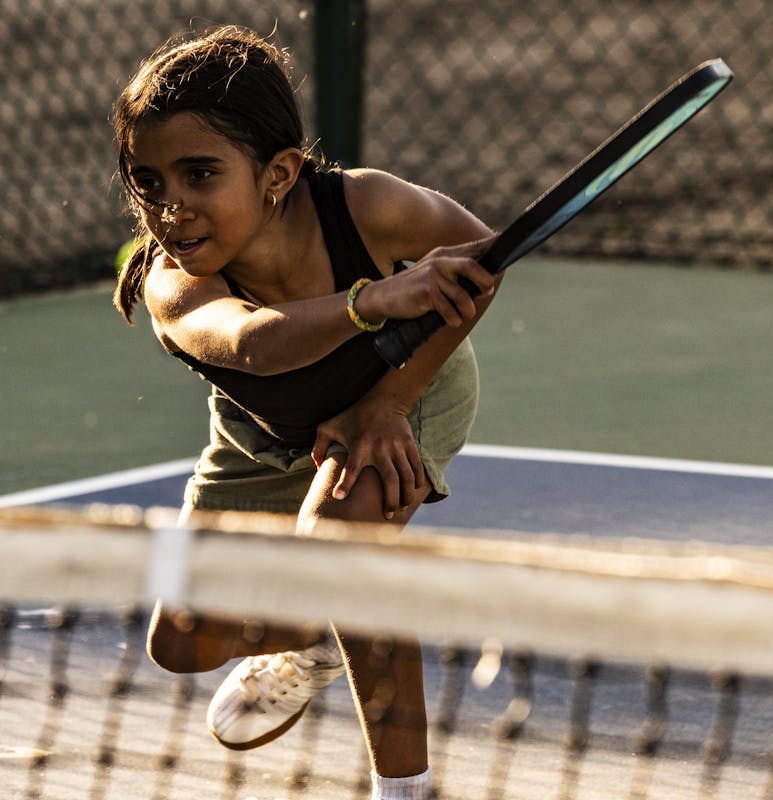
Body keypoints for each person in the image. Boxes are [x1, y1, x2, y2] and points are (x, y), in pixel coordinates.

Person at [112, 24, 500, 800]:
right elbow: (255, 345)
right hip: (263, 430)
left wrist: (389, 400)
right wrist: (372, 300)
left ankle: (405, 788)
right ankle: (322, 627)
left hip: (405, 386)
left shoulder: (367, 205)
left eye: (199, 174)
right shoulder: (171, 286)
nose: (170, 207)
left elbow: (482, 255)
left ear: (279, 173)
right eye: (148, 182)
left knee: (340, 547)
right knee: (181, 643)